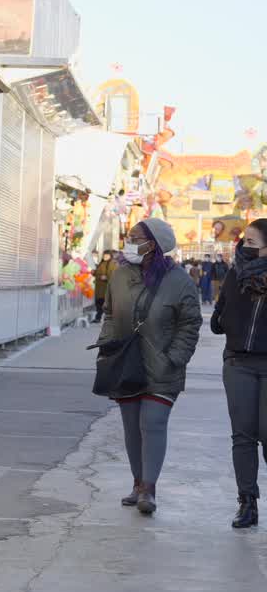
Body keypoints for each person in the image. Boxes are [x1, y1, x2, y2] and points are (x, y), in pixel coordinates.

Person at [97, 218, 201, 515]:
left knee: (152, 423)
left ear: (152, 244)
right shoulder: (119, 276)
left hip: (163, 367)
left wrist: (175, 358)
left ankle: (149, 489)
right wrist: (107, 345)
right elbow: (108, 314)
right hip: (125, 364)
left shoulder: (179, 280)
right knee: (132, 428)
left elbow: (190, 323)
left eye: (134, 237)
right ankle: (137, 482)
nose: (128, 241)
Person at [210, 218, 267, 528]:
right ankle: (247, 502)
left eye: (251, 242)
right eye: (244, 241)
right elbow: (218, 319)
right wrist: (226, 319)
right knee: (243, 435)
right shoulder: (236, 274)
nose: (244, 247)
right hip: (238, 363)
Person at [92, 250, 116, 323]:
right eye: (104, 255)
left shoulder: (112, 264)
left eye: (107, 255)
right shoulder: (101, 263)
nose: (105, 256)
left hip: (106, 288)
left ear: (110, 256)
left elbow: (114, 275)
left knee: (105, 304)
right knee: (99, 303)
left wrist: (106, 277)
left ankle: (107, 319)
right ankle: (98, 318)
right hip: (99, 288)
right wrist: (94, 273)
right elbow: (98, 273)